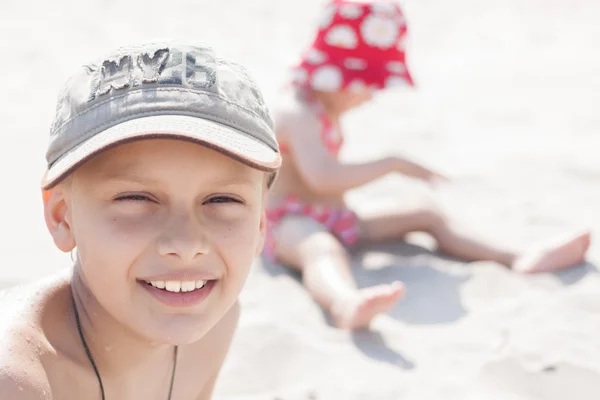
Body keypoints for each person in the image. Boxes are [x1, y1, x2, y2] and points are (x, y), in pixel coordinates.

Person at [267, 0, 590, 330]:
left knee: (426, 212)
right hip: (286, 222)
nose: (370, 97)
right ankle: (343, 302)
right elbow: (321, 178)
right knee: (320, 249)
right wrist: (391, 163)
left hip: (338, 217)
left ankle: (516, 256)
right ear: (342, 75)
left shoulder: (321, 106)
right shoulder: (296, 113)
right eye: (368, 84)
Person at [0, 41, 281, 399]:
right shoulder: (18, 383)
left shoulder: (214, 319)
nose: (185, 245)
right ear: (62, 217)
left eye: (222, 199)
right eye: (136, 198)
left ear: (260, 223)